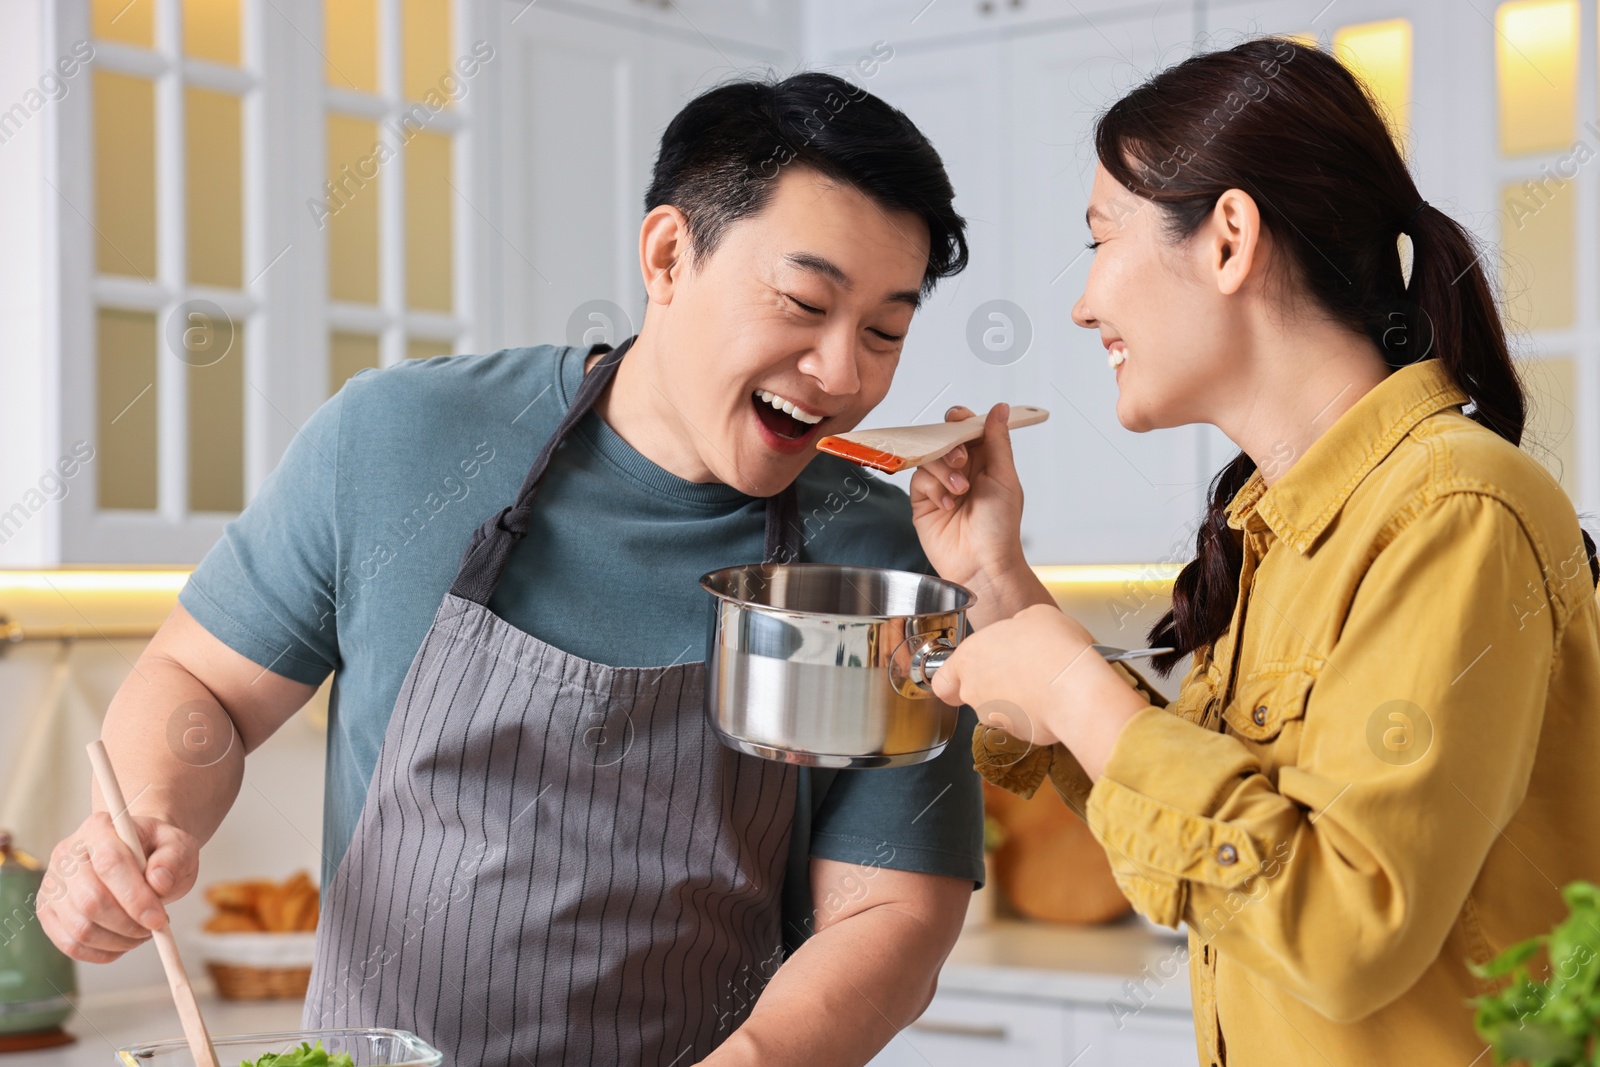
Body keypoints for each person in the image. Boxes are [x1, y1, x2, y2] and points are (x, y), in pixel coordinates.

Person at [40, 72, 985, 1066]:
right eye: (804, 302)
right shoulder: (400, 439)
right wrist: (143, 817)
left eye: (884, 331)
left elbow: (887, 912)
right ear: (668, 255)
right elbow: (203, 690)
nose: (844, 375)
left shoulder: (878, 560)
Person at [909, 38, 1600, 1067]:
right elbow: (1226, 841)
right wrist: (1000, 581)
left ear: (1229, 237)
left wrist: (1067, 682)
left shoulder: (1454, 509)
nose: (1082, 300)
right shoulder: (1286, 526)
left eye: (1099, 240)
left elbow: (1343, 925)